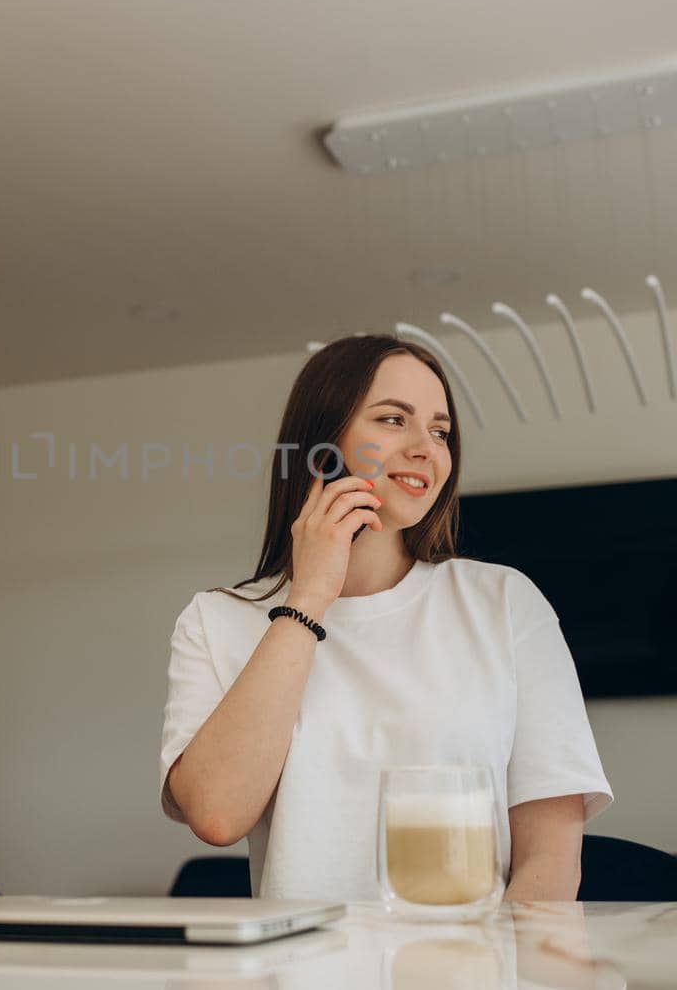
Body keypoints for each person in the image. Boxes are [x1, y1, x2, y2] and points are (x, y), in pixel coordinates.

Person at [158, 334, 612, 901]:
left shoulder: (504, 602)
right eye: (394, 419)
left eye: (441, 431)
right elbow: (218, 816)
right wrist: (308, 599)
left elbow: (550, 859)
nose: (428, 448)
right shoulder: (218, 620)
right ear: (323, 445)